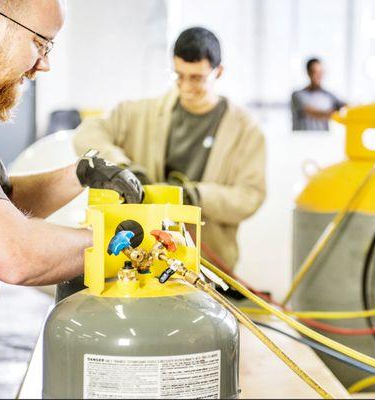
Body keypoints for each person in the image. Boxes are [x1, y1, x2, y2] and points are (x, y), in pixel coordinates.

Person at [0, 1, 143, 397]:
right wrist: (137, 237)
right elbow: (15, 253)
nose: (43, 64)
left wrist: (83, 173)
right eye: (40, 43)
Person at [74, 27, 266, 270]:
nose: (185, 87)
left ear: (219, 72)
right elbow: (87, 134)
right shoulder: (142, 113)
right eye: (178, 76)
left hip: (207, 265)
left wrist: (196, 196)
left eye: (196, 78)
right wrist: (123, 170)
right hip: (142, 256)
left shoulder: (246, 130)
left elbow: (250, 196)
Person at [291, 57, 346, 131]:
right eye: (315, 72)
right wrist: (336, 114)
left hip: (323, 140)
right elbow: (314, 112)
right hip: (302, 140)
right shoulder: (298, 95)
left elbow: (346, 106)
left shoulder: (329, 95)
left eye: (321, 73)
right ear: (308, 72)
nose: (319, 76)